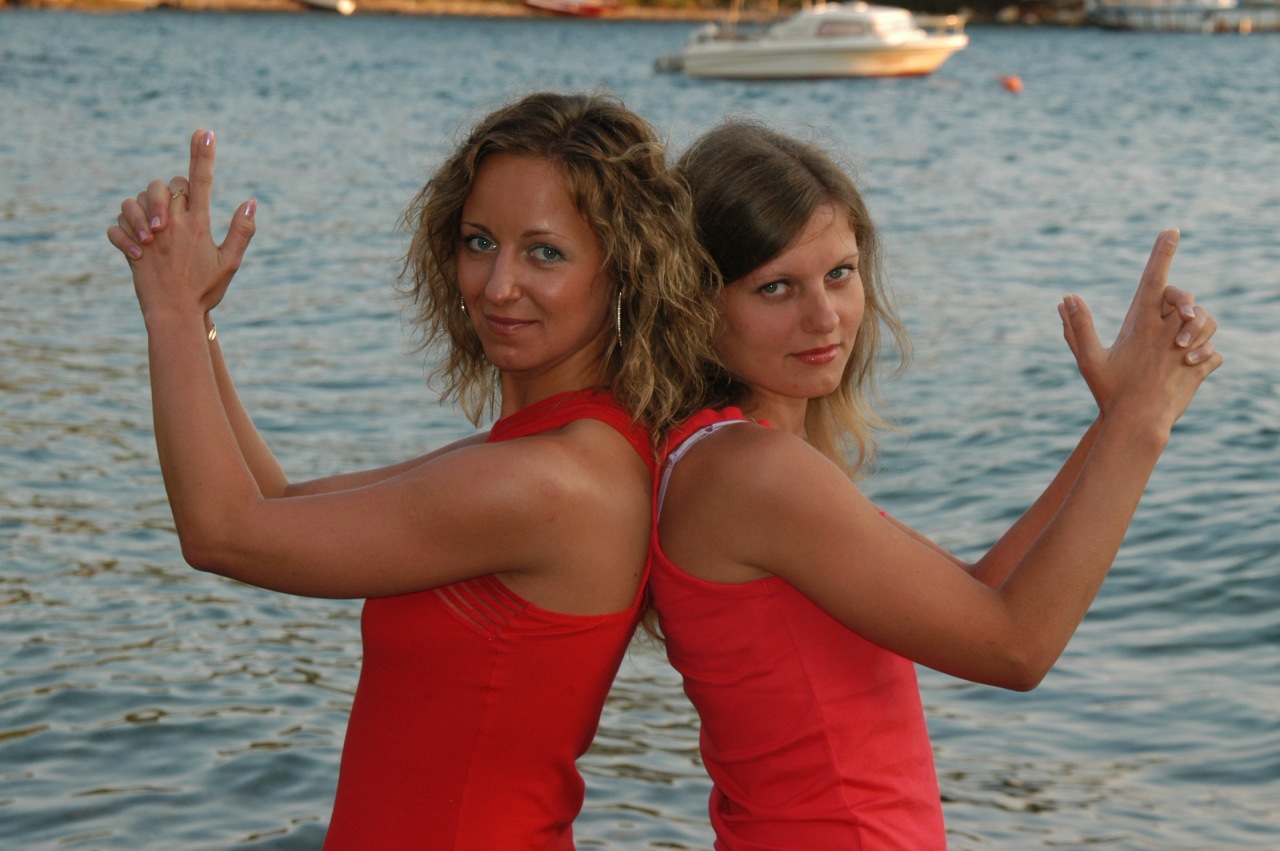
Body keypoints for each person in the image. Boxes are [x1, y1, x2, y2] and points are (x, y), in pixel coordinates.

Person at [106, 92, 718, 850]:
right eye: (479, 242)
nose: (497, 285)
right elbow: (272, 499)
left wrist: (167, 312)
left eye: (545, 253)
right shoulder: (548, 449)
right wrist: (198, 316)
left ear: (624, 270)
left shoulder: (551, 480)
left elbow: (221, 532)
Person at [649, 121, 1223, 849]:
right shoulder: (750, 470)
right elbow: (1016, 648)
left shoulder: (740, 455)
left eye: (840, 274)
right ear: (696, 302)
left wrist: (1112, 421)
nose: (824, 316)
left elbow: (985, 590)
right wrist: (1141, 426)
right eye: (776, 287)